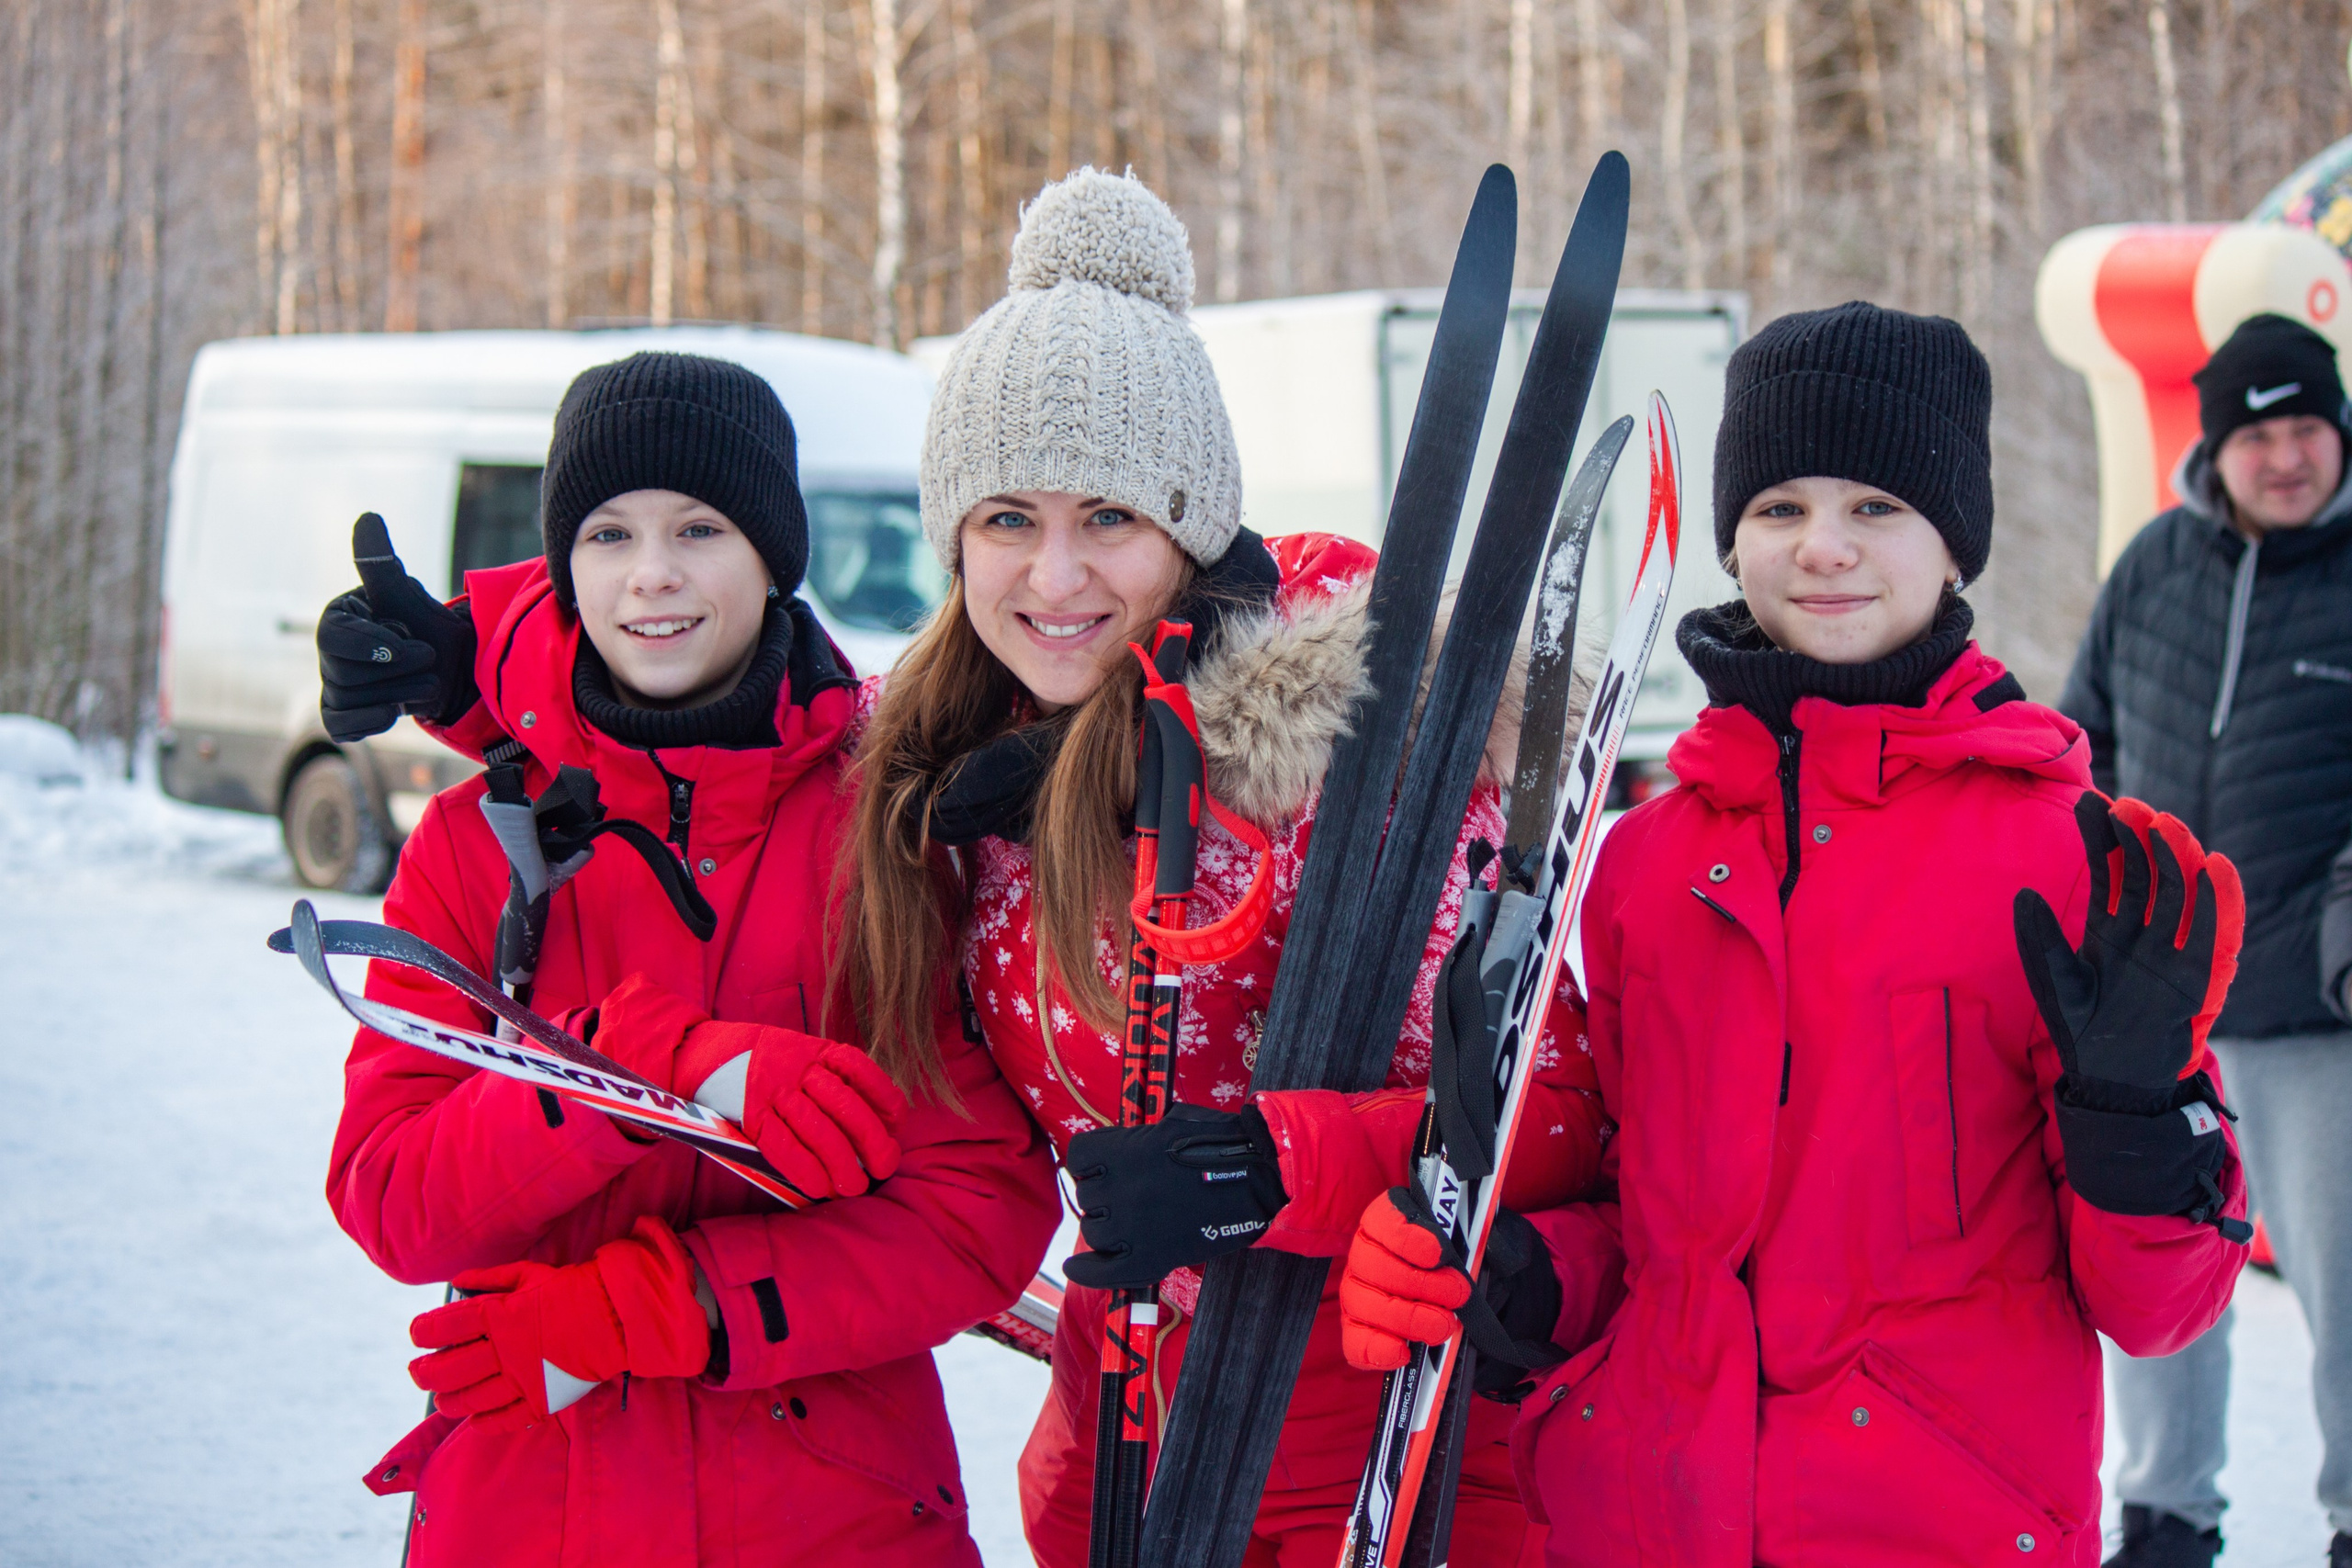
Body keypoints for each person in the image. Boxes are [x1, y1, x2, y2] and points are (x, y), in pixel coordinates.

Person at [1333, 302, 2251, 1567]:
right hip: (1648, 1519)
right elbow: (1649, 1223)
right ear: (1731, 537)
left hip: (1932, 1521)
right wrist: (1541, 1278)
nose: (1824, 547)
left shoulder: (2056, 853)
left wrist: (2142, 1122)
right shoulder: (1644, 863)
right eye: (1779, 508)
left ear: (1956, 546)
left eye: (1876, 507)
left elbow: (2163, 1307)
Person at [838, 168, 1610, 1566]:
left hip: (1370, 1447)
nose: (1055, 576)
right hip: (1121, 1456)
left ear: (1188, 530)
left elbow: (1552, 1112)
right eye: (1007, 518)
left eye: (1110, 519)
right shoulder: (955, 768)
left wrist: (1270, 1166)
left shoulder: (1333, 761)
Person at [314, 351, 1060, 1565]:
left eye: (701, 527)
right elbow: (394, 1200)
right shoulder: (473, 848)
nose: (653, 575)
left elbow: (976, 1213)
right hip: (527, 1510)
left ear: (775, 555)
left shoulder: (883, 837)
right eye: (608, 534)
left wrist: (666, 1308)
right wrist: (632, 1074)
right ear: (563, 565)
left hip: (834, 1515)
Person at [2064, 311, 2352, 1568]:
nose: (2286, 458)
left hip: (2317, 1004)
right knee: (2165, 1267)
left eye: (2308, 430)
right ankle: (2167, 1510)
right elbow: (2089, 746)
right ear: (2218, 447)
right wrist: (2095, 908)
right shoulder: (2154, 568)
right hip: (2166, 998)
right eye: (2260, 434)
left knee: (2342, 1288)